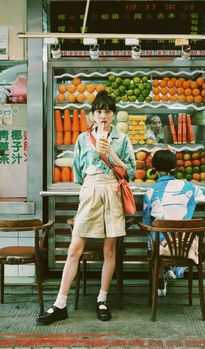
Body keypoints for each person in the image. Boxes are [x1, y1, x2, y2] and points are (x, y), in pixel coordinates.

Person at [37, 90, 136, 324]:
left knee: (109, 250)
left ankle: (102, 299)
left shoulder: (122, 140)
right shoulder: (82, 139)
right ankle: (60, 302)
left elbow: (130, 172)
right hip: (91, 191)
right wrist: (92, 186)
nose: (103, 116)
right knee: (74, 248)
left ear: (114, 115)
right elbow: (79, 175)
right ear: (93, 114)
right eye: (99, 111)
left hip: (112, 192)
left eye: (108, 111)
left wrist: (110, 152)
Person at [142, 148, 205, 296]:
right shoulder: (189, 188)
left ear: (154, 168)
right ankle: (173, 269)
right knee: (173, 234)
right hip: (185, 246)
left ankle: (160, 279)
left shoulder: (150, 192)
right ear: (174, 168)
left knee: (154, 232)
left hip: (161, 248)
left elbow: (146, 220)